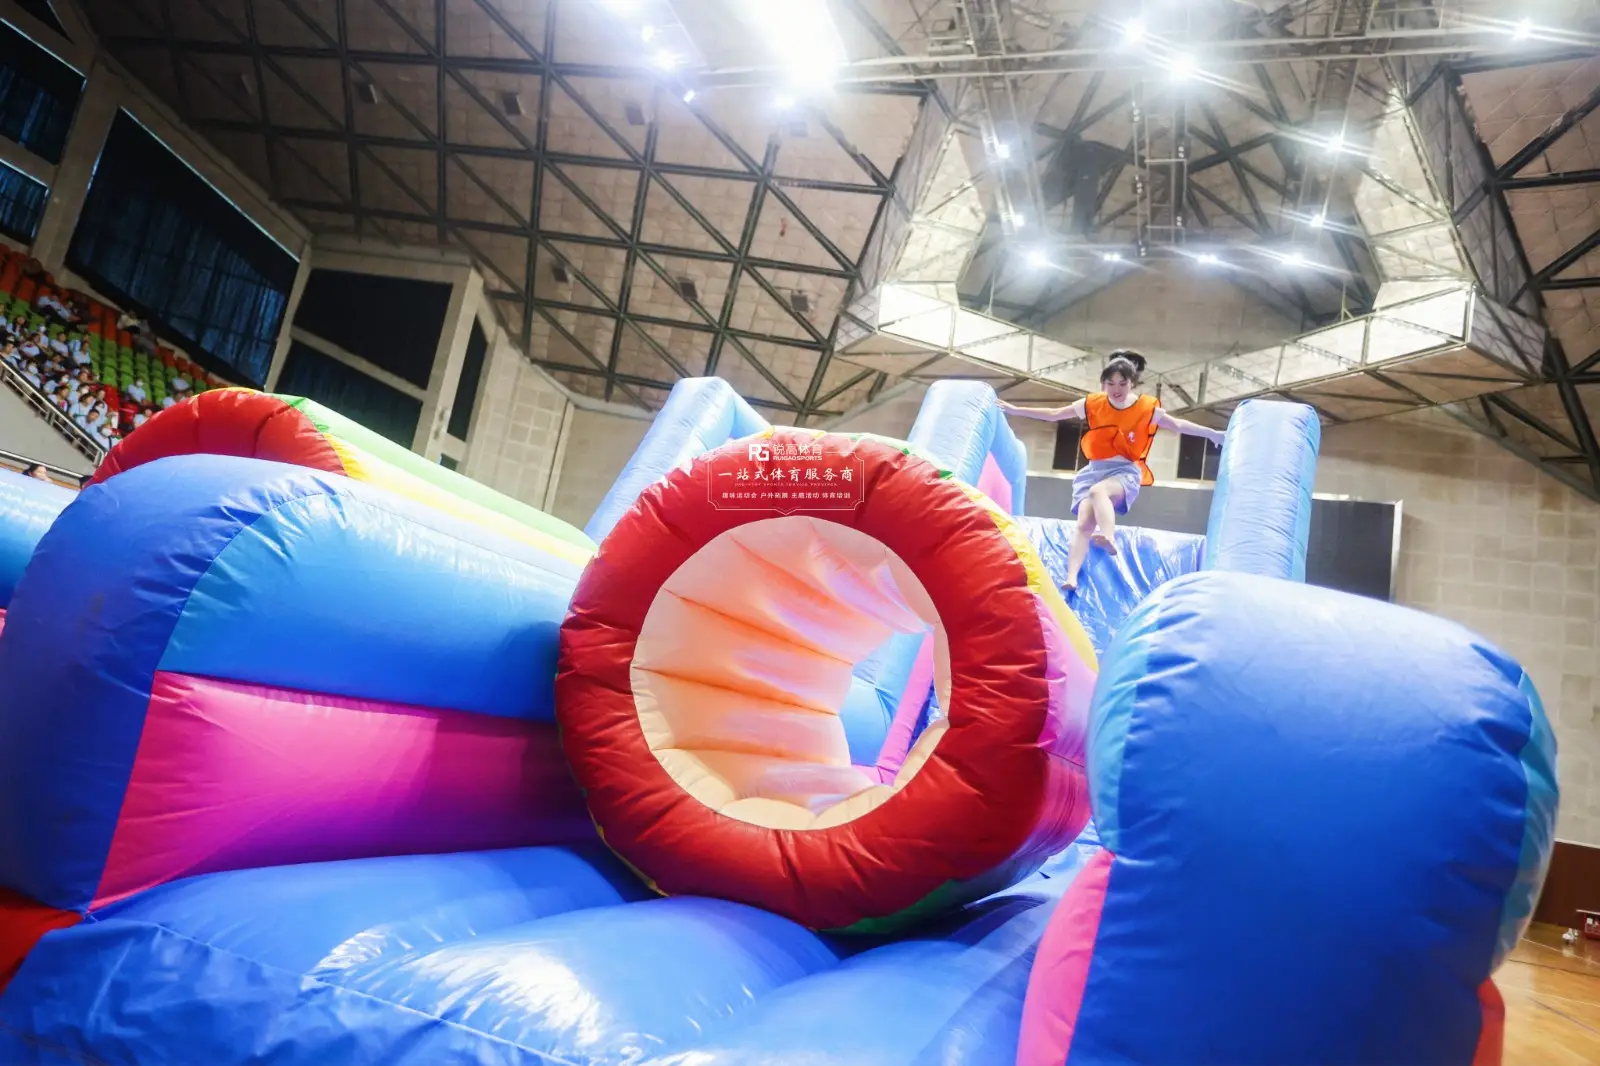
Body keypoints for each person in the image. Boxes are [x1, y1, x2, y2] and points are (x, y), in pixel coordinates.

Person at [999, 350, 1226, 592]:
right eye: (1111, 383)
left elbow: (1178, 425)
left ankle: (1108, 536)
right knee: (1083, 523)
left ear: (1132, 383)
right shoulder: (1093, 403)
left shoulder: (1145, 407)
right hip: (1095, 470)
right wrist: (1015, 410)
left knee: (1098, 492)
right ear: (1103, 383)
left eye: (1122, 383)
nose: (1116, 389)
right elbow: (1055, 414)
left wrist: (1212, 434)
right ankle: (1071, 577)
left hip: (1123, 472)